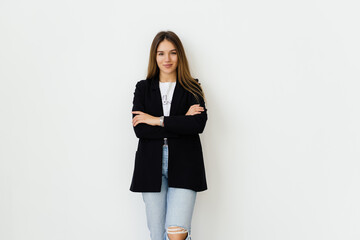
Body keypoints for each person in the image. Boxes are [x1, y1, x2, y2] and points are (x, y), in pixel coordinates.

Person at [130, 30, 208, 240]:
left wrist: (157, 119)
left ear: (179, 55)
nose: (167, 59)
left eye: (173, 53)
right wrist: (181, 121)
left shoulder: (193, 87)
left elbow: (197, 124)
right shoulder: (143, 88)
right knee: (157, 235)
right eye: (161, 53)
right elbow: (140, 129)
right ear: (154, 57)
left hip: (185, 163)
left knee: (176, 234)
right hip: (150, 164)